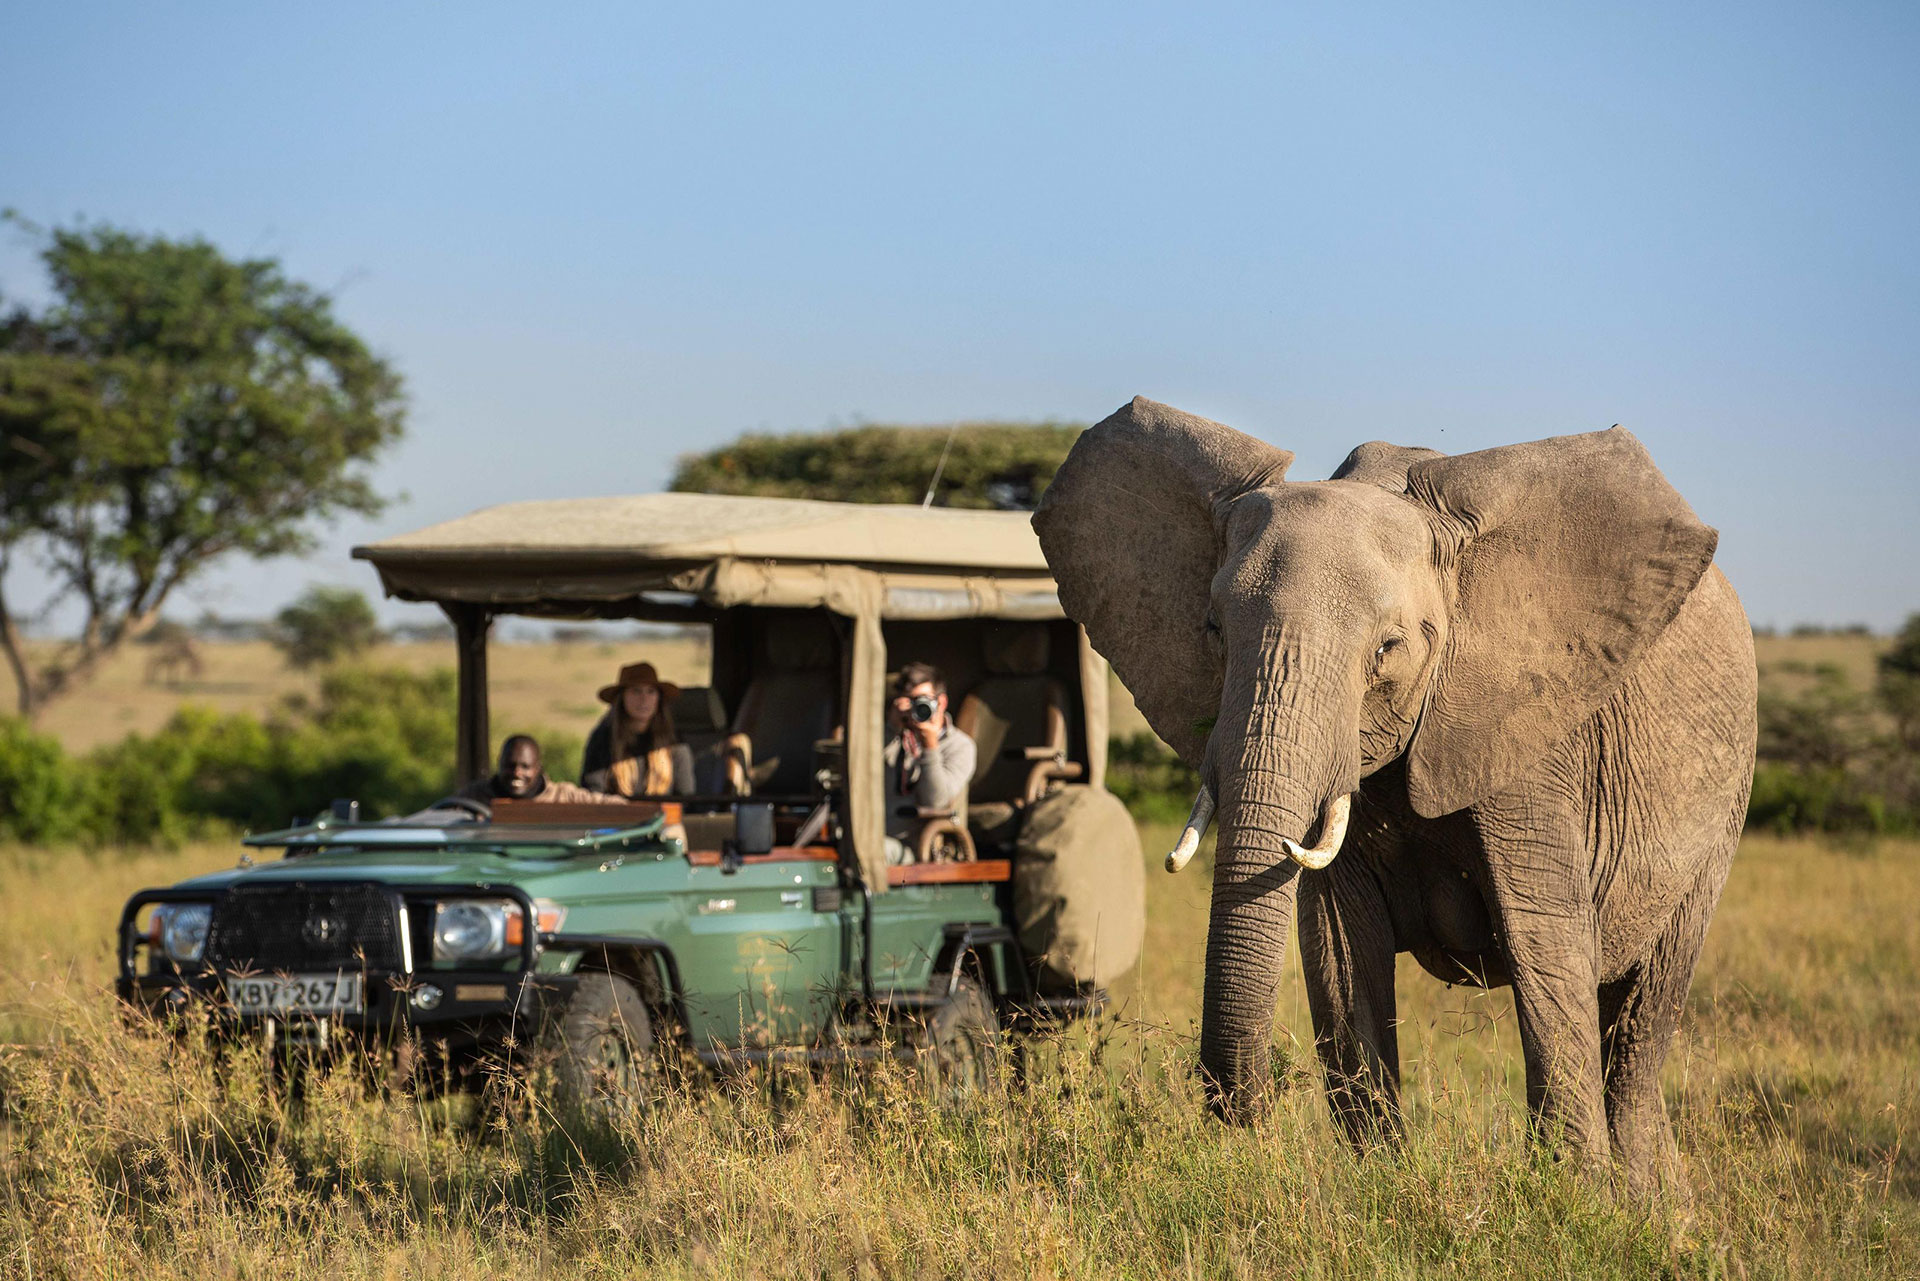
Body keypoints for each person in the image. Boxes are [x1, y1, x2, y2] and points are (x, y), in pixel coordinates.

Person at [882, 661, 977, 864]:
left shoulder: (961, 746)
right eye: (909, 702)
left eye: (921, 701)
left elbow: (935, 801)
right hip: (876, 836)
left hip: (923, 848)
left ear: (941, 703)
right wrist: (891, 728)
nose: (917, 708)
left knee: (875, 851)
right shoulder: (892, 738)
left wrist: (930, 746)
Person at [581, 661, 696, 797]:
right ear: (621, 698)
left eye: (651, 691)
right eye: (636, 691)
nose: (644, 699)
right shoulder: (602, 740)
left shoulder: (676, 745)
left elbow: (686, 798)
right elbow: (594, 793)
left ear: (658, 699)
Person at [458, 735, 625, 805]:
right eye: (510, 765)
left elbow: (616, 807)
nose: (517, 773)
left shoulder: (563, 797)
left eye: (525, 767)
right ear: (499, 764)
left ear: (538, 768)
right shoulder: (475, 797)